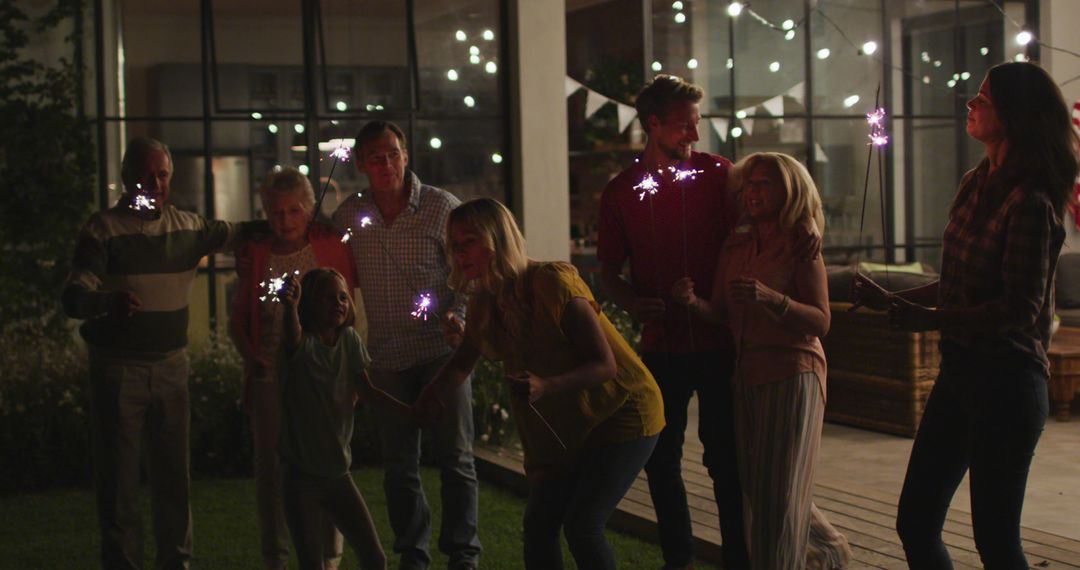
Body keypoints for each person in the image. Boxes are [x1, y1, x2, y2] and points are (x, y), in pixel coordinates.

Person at [854, 61, 1078, 569]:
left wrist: (928, 319)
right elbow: (960, 281)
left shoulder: (1032, 201)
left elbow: (1017, 310)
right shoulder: (978, 181)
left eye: (984, 99)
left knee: (997, 543)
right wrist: (899, 298)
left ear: (1016, 116)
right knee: (916, 522)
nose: (970, 106)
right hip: (960, 375)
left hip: (1007, 383)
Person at [414, 197, 665, 569]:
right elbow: (460, 364)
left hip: (622, 410)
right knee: (540, 522)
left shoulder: (551, 281)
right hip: (570, 421)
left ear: (496, 239)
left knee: (582, 525)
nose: (459, 252)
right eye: (453, 244)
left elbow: (605, 364)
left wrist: (546, 386)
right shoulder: (485, 301)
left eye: (468, 241)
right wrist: (426, 398)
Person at [61, 137, 262, 569]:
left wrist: (297, 223)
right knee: (119, 483)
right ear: (125, 178)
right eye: (145, 174)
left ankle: (176, 562)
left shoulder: (188, 229)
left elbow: (241, 233)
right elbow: (74, 296)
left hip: (171, 367)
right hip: (118, 370)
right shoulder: (103, 230)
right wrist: (105, 302)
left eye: (162, 174)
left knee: (174, 479)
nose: (155, 183)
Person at [597, 74, 749, 569]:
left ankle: (739, 559)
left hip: (720, 338)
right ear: (654, 124)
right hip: (661, 345)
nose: (695, 136)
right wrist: (633, 303)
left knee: (727, 459)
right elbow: (607, 273)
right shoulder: (621, 192)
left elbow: (763, 222)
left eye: (697, 125)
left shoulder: (720, 176)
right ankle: (678, 559)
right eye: (685, 126)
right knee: (662, 458)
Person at [673, 153, 852, 569]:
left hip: (793, 373)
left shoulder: (800, 242)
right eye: (749, 185)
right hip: (746, 374)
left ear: (788, 189)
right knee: (759, 489)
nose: (752, 193)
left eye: (764, 184)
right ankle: (830, 551)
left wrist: (773, 299)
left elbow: (821, 321)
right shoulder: (735, 245)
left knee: (778, 497)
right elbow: (719, 311)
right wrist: (691, 302)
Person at [332, 120, 480, 570]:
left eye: (393, 153)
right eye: (375, 157)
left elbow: (469, 272)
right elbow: (328, 261)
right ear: (360, 163)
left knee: (456, 459)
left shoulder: (440, 209)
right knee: (399, 468)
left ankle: (462, 554)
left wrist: (461, 316)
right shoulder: (350, 218)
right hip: (388, 360)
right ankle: (413, 554)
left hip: (441, 354)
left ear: (406, 155)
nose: (386, 164)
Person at [230, 167, 359, 570]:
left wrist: (350, 371)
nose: (285, 220)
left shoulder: (329, 249)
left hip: (320, 377)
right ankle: (276, 557)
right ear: (266, 213)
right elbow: (239, 319)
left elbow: (347, 311)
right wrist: (253, 357)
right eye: (277, 212)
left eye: (294, 211)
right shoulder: (257, 254)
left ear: (308, 212)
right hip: (272, 375)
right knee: (270, 469)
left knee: (329, 464)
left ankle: (329, 556)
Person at [276, 268, 409, 570]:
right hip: (301, 480)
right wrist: (289, 306)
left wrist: (411, 412)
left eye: (343, 297)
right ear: (309, 303)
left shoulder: (349, 340)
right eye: (327, 298)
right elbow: (292, 333)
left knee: (375, 558)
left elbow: (369, 392)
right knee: (312, 564)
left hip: (338, 475)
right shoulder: (301, 346)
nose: (338, 303)